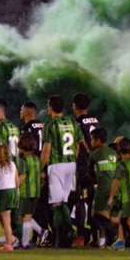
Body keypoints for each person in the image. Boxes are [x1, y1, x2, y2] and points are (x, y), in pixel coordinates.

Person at [41, 94, 79, 247]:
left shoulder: (50, 125)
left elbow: (46, 151)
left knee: (56, 204)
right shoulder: (72, 122)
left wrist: (40, 169)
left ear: (50, 107)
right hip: (71, 164)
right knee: (64, 201)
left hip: (56, 165)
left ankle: (61, 236)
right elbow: (77, 147)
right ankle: (69, 231)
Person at [71, 92, 100, 248]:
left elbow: (80, 144)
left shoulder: (76, 123)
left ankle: (81, 235)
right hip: (96, 163)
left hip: (83, 165)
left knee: (80, 201)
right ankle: (96, 236)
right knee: (93, 201)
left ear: (74, 106)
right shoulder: (96, 120)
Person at [107, 137, 130, 252]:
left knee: (129, 220)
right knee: (122, 219)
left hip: (127, 197)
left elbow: (115, 182)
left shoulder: (121, 165)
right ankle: (121, 241)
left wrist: (111, 197)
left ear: (119, 150)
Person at [88, 128, 118, 248]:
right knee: (106, 214)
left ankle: (112, 235)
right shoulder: (113, 153)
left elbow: (89, 172)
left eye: (92, 139)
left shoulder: (95, 154)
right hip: (114, 186)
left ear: (98, 140)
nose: (91, 142)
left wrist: (93, 183)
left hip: (102, 187)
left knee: (95, 215)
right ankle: (105, 239)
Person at [17, 133, 44, 250]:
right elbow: (42, 176)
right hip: (36, 192)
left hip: (25, 193)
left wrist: (14, 187)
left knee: (24, 217)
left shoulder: (23, 161)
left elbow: (22, 177)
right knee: (26, 216)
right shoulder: (36, 159)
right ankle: (42, 231)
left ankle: (25, 243)